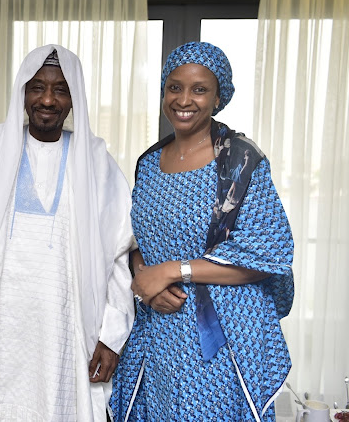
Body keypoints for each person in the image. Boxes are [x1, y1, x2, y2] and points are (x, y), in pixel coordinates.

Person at [0, 45, 135, 421]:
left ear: (74, 98)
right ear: (22, 93)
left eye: (60, 89)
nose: (47, 99)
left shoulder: (96, 162)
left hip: (67, 327)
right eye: (37, 87)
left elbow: (119, 256)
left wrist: (111, 336)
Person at [110, 42, 295, 421]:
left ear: (218, 97)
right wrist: (147, 276)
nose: (184, 99)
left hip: (224, 333)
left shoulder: (241, 160)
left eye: (199, 89)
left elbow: (268, 255)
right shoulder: (148, 163)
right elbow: (136, 240)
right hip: (161, 327)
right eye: (174, 87)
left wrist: (173, 271)